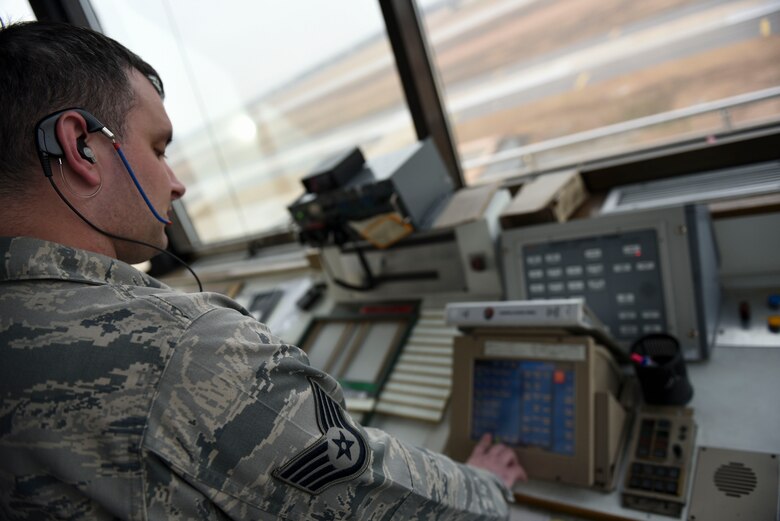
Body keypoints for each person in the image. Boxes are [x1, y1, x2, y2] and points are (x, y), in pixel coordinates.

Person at [0, 21, 526, 520]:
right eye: (158, 148)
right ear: (81, 146)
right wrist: (489, 487)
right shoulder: (183, 349)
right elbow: (377, 500)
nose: (176, 183)